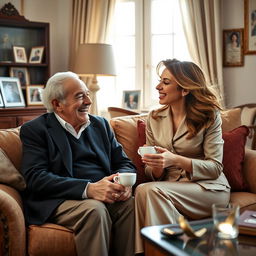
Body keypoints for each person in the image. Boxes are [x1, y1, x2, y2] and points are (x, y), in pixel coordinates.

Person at [20, 71, 136, 256]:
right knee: (94, 210)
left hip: (103, 193)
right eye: (80, 96)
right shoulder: (35, 130)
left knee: (130, 205)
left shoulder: (101, 125)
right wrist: (88, 189)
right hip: (62, 199)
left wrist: (123, 182)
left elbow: (124, 162)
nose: (89, 101)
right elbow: (35, 177)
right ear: (57, 104)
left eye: (87, 94)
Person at [134, 59, 230, 254]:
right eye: (160, 81)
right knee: (146, 190)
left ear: (185, 90)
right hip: (170, 189)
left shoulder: (209, 116)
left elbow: (215, 167)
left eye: (166, 82)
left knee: (148, 191)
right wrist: (157, 166)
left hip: (208, 188)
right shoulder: (153, 118)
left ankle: (152, 252)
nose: (158, 86)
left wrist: (175, 160)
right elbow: (152, 173)